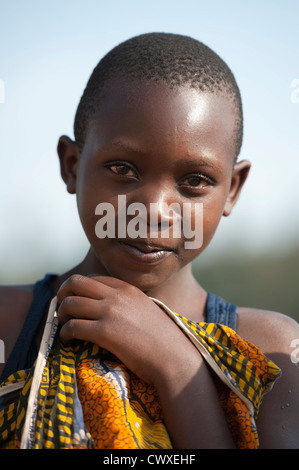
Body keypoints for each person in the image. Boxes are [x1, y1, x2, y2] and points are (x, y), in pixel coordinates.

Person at [0, 32, 298, 450]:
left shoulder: (272, 352)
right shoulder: (9, 326)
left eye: (195, 180)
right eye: (123, 168)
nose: (155, 209)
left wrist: (177, 369)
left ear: (232, 188)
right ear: (71, 166)